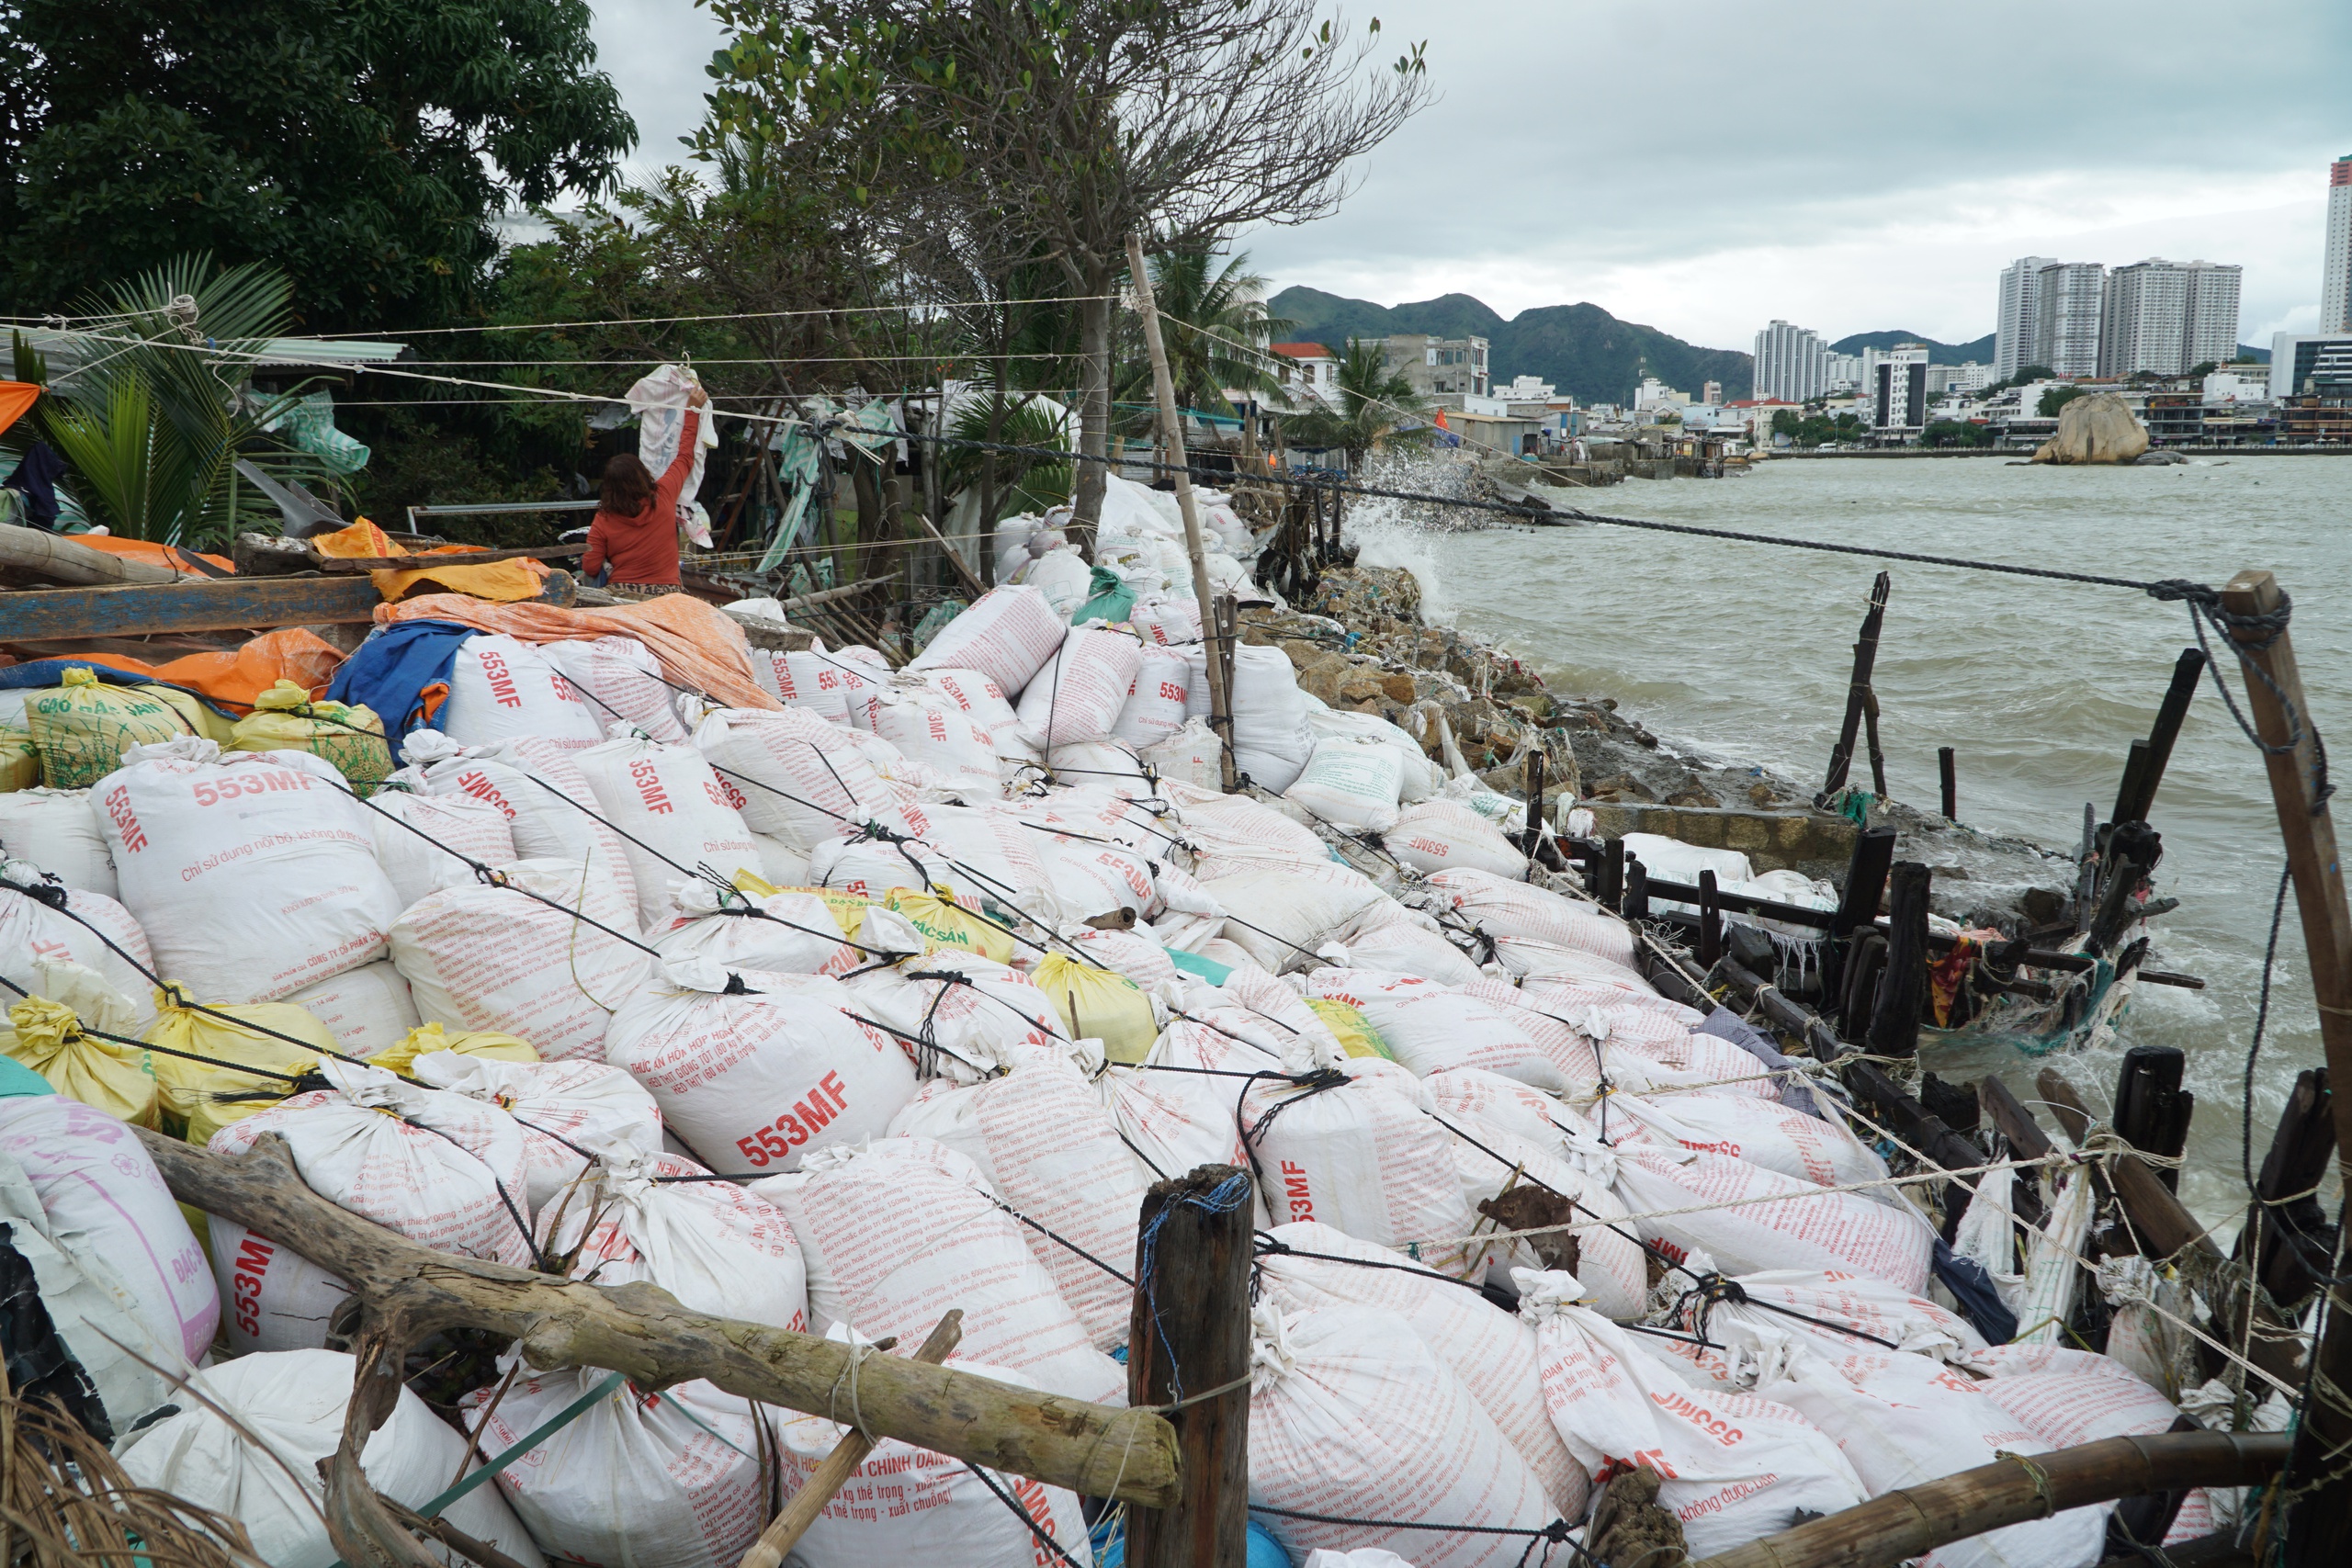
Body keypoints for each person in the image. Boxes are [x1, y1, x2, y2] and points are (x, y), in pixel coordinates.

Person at [582, 384, 707, 592]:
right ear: (643, 474)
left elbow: (590, 567)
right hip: (667, 594)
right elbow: (686, 456)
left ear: (609, 488)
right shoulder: (664, 493)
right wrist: (692, 410)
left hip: (623, 594)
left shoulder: (603, 519)